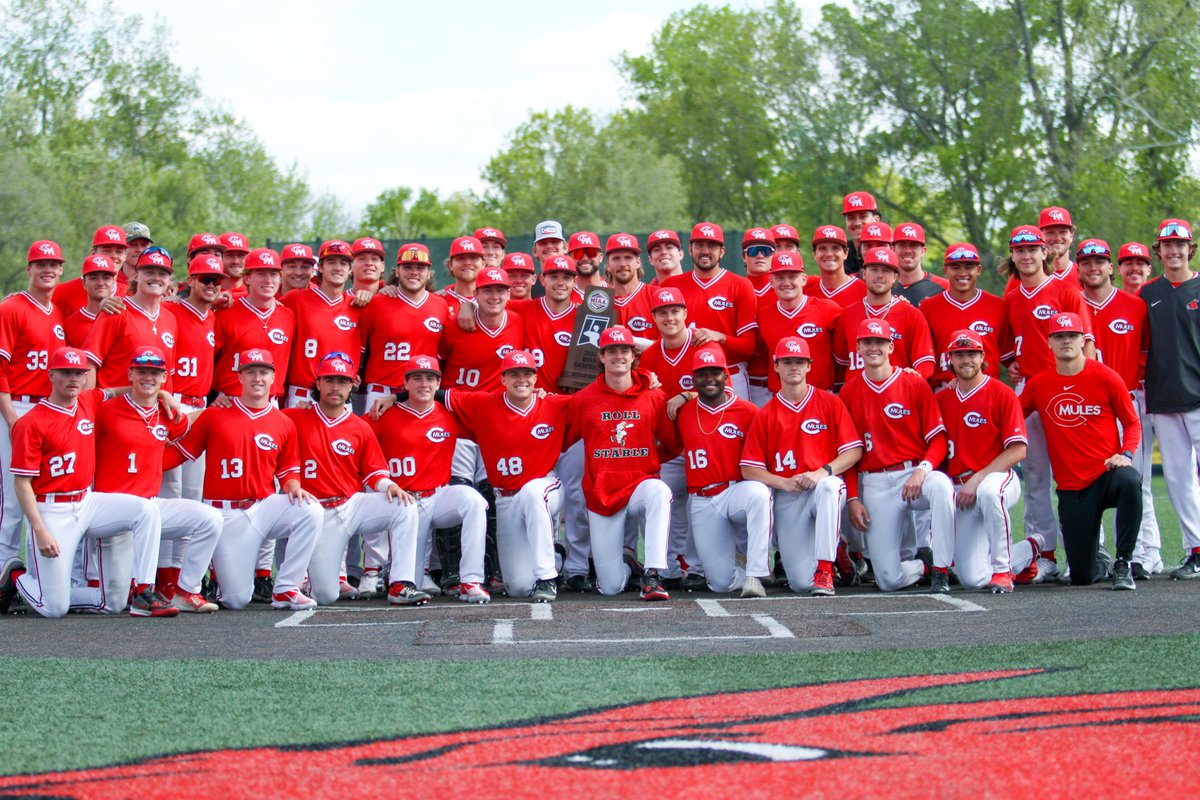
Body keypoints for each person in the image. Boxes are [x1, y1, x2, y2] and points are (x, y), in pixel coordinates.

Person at [1, 347, 172, 618]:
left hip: (87, 502)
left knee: (146, 510)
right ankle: (15, 575)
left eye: (78, 373)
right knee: (54, 609)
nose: (73, 379)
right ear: (51, 375)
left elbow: (116, 391)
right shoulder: (30, 422)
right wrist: (39, 529)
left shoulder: (89, 400)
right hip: (51, 510)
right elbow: (22, 484)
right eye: (66, 373)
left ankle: (143, 590)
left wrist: (161, 393)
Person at [171, 349, 323, 610]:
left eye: (263, 372)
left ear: (273, 377)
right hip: (226, 512)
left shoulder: (283, 422)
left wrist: (294, 486)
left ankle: (286, 588)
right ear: (239, 377)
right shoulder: (216, 414)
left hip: (263, 507)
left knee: (310, 510)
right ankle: (214, 584)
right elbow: (180, 453)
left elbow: (287, 469)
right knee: (236, 599)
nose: (257, 378)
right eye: (250, 372)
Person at [282, 353, 426, 606]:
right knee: (326, 595)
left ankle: (401, 584)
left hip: (351, 505)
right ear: (318, 383)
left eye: (342, 381)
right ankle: (309, 579)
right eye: (330, 380)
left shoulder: (360, 426)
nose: (336, 387)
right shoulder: (294, 418)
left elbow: (374, 472)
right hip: (316, 511)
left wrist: (389, 485)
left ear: (352, 386)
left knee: (404, 505)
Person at [93, 346, 223, 613]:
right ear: (130, 373)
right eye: (141, 371)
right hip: (112, 509)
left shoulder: (166, 413)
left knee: (210, 518)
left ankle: (185, 591)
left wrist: (213, 408)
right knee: (113, 603)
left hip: (150, 508)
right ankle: (42, 589)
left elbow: (186, 424)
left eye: (155, 373)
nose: (148, 377)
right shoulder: (105, 410)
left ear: (164, 377)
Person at [1020, 313, 1141, 589]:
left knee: (1131, 480)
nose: (1066, 341)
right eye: (1060, 336)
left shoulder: (1106, 376)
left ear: (1083, 340)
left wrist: (1127, 454)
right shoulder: (1038, 385)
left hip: (1106, 474)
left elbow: (1132, 422)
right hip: (1072, 488)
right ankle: (1101, 561)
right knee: (1081, 577)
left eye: (1073, 336)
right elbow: (1009, 414)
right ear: (1049, 342)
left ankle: (1124, 562)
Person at [1002, 224, 1092, 580]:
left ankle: (1085, 551)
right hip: (1029, 391)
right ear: (1013, 255)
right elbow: (1009, 349)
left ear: (1045, 253)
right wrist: (1012, 368)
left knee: (1077, 475)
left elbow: (1087, 345)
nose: (1026, 256)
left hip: (1067, 388)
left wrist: (1086, 388)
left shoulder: (1066, 291)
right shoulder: (1010, 298)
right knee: (1036, 474)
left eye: (1032, 249)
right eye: (1019, 250)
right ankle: (1046, 554)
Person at [564, 326, 680, 599]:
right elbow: (561, 442)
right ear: (602, 357)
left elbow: (673, 444)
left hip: (640, 484)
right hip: (602, 495)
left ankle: (653, 574)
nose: (619, 356)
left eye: (624, 351)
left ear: (633, 356)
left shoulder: (653, 395)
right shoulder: (583, 400)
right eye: (611, 351)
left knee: (660, 492)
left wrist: (648, 459)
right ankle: (629, 566)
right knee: (611, 587)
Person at [740, 337, 862, 596]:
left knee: (830, 487)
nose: (793, 367)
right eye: (787, 362)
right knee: (801, 584)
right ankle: (837, 550)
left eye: (799, 362)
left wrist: (822, 472)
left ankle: (826, 568)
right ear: (776, 366)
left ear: (809, 366)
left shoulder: (830, 402)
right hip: (789, 494)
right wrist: (781, 482)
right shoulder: (766, 413)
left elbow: (853, 450)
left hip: (821, 487)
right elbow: (749, 469)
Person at [443, 350, 568, 601]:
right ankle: (551, 559)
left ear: (535, 379)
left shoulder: (555, 404)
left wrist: (644, 378)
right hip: (505, 497)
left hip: (545, 485)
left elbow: (599, 397)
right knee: (519, 587)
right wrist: (395, 397)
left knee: (533, 493)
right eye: (514, 374)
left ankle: (547, 577)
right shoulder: (484, 403)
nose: (521, 379)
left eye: (527, 374)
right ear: (503, 379)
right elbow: (439, 395)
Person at [840, 319, 954, 592]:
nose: (873, 347)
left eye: (879, 342)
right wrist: (854, 497)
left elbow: (938, 438)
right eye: (867, 342)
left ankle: (941, 568)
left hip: (912, 472)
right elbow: (849, 453)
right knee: (888, 580)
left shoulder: (913, 382)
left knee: (940, 485)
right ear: (858, 348)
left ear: (891, 346)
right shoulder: (849, 391)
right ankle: (922, 566)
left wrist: (922, 470)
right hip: (876, 481)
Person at [370, 355, 489, 603]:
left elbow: (493, 409)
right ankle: (389, 572)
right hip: (404, 504)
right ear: (405, 383)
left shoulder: (450, 414)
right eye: (417, 378)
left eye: (430, 378)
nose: (424, 384)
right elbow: (350, 433)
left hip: (438, 496)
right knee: (407, 579)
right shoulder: (384, 414)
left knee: (474, 501)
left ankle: (471, 581)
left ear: (438, 384)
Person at [1078, 238, 1159, 578]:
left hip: (1127, 397)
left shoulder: (1135, 305)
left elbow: (1147, 355)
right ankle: (1093, 554)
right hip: (1086, 407)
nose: (1094, 267)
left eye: (1100, 261)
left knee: (1135, 480)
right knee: (1088, 480)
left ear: (1111, 267)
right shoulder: (1072, 304)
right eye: (1086, 262)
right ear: (1079, 268)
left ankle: (1142, 554)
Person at [670, 346, 772, 596]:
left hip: (736, 491)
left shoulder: (748, 411)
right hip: (703, 499)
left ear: (726, 375)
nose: (709, 379)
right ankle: (738, 566)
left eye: (715, 372)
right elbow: (670, 447)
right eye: (702, 373)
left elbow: (766, 456)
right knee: (720, 584)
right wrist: (685, 395)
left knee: (759, 492)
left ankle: (755, 573)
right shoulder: (682, 412)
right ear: (693, 379)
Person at [936, 330, 1028, 593]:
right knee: (972, 579)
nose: (966, 359)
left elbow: (1018, 450)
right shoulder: (942, 399)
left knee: (989, 491)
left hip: (998, 478)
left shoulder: (1001, 392)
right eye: (959, 354)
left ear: (983, 357)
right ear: (950, 359)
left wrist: (979, 477)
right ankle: (1029, 549)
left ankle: (1002, 570)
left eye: (972, 354)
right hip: (960, 489)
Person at [0, 241, 69, 566]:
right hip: (17, 405)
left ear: (61, 270)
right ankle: (3, 568)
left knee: (40, 493)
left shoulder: (56, 312)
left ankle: (33, 574)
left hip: (47, 410)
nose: (47, 269)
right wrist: (11, 416)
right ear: (29, 269)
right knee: (12, 497)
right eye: (41, 264)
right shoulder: (12, 308)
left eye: (53, 264)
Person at [1140, 218, 1200, 579]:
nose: (1174, 250)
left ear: (1190, 248)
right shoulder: (1148, 293)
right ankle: (1196, 548)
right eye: (1167, 244)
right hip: (1162, 398)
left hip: (1199, 396)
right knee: (1178, 480)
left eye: (1180, 244)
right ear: (1158, 250)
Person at [638, 287, 706, 590]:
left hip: (702, 441)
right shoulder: (651, 354)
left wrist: (686, 394)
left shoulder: (702, 347)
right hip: (669, 444)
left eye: (675, 311)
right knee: (666, 499)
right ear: (654, 318)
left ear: (685, 314)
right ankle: (668, 563)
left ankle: (698, 564)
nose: (669, 317)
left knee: (700, 504)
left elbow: (723, 389)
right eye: (662, 312)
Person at [663, 223, 758, 399]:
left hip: (731, 374)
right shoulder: (671, 285)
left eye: (712, 245)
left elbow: (748, 348)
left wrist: (720, 337)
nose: (705, 251)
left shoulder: (740, 285)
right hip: (684, 375)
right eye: (700, 245)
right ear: (690, 249)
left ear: (722, 251)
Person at [358, 242, 447, 410]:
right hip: (381, 392)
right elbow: (359, 352)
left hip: (422, 394)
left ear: (429, 274)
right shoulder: (376, 303)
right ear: (397, 271)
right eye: (407, 267)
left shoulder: (441, 305)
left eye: (420, 267)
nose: (414, 272)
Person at [82, 247, 178, 389]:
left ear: (169, 280)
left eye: (162, 273)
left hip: (153, 409)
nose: (156, 278)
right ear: (136, 275)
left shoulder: (170, 319)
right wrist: (87, 407)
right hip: (114, 407)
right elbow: (89, 365)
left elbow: (167, 376)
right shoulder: (116, 310)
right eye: (149, 272)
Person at [833, 247, 935, 380]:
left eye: (886, 271)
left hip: (897, 394)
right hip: (857, 396)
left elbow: (925, 362)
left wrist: (915, 377)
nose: (880, 275)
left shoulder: (912, 314)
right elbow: (840, 362)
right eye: (874, 269)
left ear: (895, 277)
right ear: (864, 273)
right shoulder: (847, 314)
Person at [920, 243, 1012, 392]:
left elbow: (1008, 355)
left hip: (987, 390)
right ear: (945, 271)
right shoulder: (928, 307)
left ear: (978, 270)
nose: (962, 273)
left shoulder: (997, 306)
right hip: (944, 390)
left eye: (969, 267)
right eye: (956, 267)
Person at [753, 251, 841, 402]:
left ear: (804, 279)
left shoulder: (828, 309)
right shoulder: (763, 315)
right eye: (780, 277)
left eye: (792, 276)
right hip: (779, 399)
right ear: (771, 281)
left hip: (821, 397)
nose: (786, 282)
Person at [280, 242, 361, 407]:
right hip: (303, 395)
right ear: (320, 267)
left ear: (350, 270)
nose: (338, 267)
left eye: (343, 263)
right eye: (331, 262)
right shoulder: (295, 299)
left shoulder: (359, 306)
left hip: (342, 395)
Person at [212, 247, 295, 403]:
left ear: (280, 278)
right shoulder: (225, 312)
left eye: (273, 274)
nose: (268, 280)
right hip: (231, 400)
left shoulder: (288, 315)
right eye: (261, 274)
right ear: (247, 278)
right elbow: (207, 360)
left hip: (271, 402)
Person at [51, 225, 129, 315]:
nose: (114, 256)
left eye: (119, 251)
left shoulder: (130, 295)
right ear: (93, 253)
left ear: (125, 256)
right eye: (107, 250)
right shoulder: (62, 292)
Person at [805, 225, 867, 309]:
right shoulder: (805, 291)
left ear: (846, 253)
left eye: (835, 248)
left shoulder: (864, 289)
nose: (829, 254)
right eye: (822, 248)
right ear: (814, 254)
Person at [607, 234, 656, 339]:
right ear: (608, 265)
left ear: (638, 262)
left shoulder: (656, 295)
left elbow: (669, 343)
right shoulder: (599, 302)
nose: (623, 264)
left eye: (628, 258)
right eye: (616, 259)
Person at [64, 255, 118, 348]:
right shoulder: (70, 324)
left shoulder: (124, 319)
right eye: (93, 278)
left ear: (113, 282)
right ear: (84, 283)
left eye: (106, 278)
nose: (100, 283)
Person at [893, 222, 948, 307]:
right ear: (892, 249)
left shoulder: (945, 287)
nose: (907, 250)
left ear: (923, 251)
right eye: (902, 245)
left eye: (913, 245)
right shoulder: (883, 286)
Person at [841, 191, 882, 276]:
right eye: (851, 218)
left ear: (876, 220)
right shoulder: (840, 254)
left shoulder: (891, 250)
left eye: (863, 216)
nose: (857, 223)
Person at [219, 232, 250, 301]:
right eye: (230, 255)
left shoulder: (256, 293)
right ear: (219, 257)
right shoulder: (208, 291)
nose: (236, 261)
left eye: (241, 255)